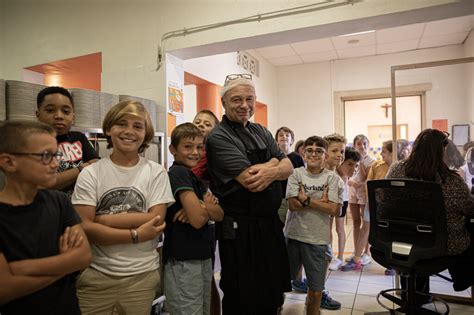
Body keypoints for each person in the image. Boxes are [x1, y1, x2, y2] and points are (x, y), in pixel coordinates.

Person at [72, 101, 174, 314]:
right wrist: (137, 233)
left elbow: (155, 220)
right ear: (108, 129)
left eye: (138, 126)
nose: (129, 131)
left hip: (142, 276)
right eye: (121, 124)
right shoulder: (91, 173)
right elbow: (84, 228)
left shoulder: (156, 173)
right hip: (95, 275)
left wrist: (101, 220)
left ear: (146, 133)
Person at [206, 74, 293, 314]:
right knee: (242, 295)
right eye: (237, 99)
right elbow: (251, 180)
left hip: (269, 225)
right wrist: (276, 164)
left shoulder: (261, 130)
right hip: (239, 230)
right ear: (223, 102)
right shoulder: (219, 137)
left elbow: (290, 167)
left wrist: (271, 167)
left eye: (249, 99)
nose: (244, 105)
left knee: (272, 293)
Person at [0, 120, 91, 314]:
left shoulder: (59, 202)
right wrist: (66, 263)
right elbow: (5, 288)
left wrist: (22, 268)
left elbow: (83, 256)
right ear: (9, 162)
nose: (56, 164)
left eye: (56, 154)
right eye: (46, 156)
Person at [386, 129, 474, 302]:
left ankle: (414, 298)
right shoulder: (452, 181)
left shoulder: (396, 169)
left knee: (417, 236)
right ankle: (462, 280)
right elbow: (470, 209)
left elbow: (385, 200)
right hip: (439, 247)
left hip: (397, 241)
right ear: (443, 151)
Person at [164, 122, 224, 315]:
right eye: (188, 147)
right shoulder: (178, 173)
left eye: (199, 147)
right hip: (183, 260)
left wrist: (200, 206)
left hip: (201, 257)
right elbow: (198, 220)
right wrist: (204, 207)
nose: (195, 152)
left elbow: (220, 214)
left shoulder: (194, 177)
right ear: (173, 149)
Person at [285, 136, 343, 315]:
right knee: (283, 285)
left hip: (318, 241)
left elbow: (334, 209)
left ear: (325, 155)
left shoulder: (333, 179)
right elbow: (292, 205)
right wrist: (320, 203)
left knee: (316, 291)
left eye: (319, 151)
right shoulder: (296, 174)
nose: (314, 154)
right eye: (309, 150)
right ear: (303, 153)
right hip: (293, 237)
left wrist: (307, 199)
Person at [36, 86, 99, 197]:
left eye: (65, 111)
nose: (59, 116)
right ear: (38, 115)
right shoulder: (31, 143)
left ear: (73, 116)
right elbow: (45, 183)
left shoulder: (79, 138)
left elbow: (96, 165)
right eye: (50, 110)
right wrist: (81, 168)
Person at [341, 140, 393, 272]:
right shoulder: (377, 165)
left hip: (391, 206)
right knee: (365, 229)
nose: (381, 153)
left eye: (384, 151)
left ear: (393, 152)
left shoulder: (400, 166)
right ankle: (356, 259)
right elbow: (368, 182)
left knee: (389, 232)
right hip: (373, 202)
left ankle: (391, 263)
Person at [192, 109, 222, 315]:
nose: (201, 125)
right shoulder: (192, 152)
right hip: (192, 215)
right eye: (198, 122)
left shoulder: (213, 156)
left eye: (207, 123)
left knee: (207, 274)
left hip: (207, 220)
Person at [347, 134, 375, 265]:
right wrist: (350, 181)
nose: (362, 146)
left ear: (368, 145)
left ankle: (366, 253)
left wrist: (362, 161)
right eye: (359, 144)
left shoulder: (371, 160)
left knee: (366, 224)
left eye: (364, 144)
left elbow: (366, 178)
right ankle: (356, 250)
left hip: (364, 192)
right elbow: (347, 175)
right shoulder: (350, 158)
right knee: (356, 222)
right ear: (354, 145)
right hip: (352, 192)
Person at [275, 126, 305, 224]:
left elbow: (302, 178)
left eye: (287, 135)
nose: (284, 137)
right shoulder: (273, 157)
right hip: (279, 197)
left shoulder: (297, 158)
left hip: (294, 197)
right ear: (277, 140)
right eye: (281, 135)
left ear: (291, 140)